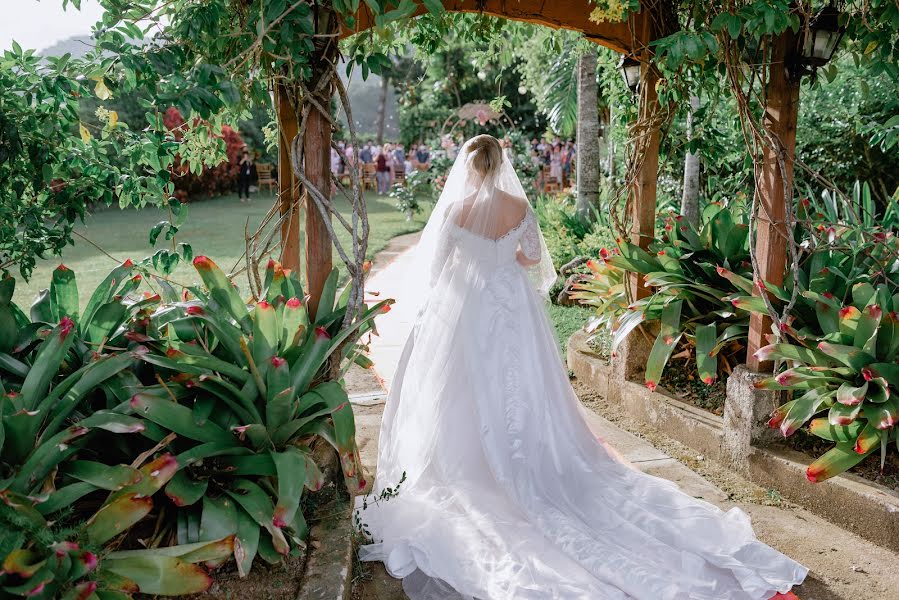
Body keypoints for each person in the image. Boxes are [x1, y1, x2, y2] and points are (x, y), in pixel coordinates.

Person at [354, 134, 807, 600]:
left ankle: (470, 463)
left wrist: (471, 263)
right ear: (502, 163)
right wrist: (501, 255)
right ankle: (525, 455)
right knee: (522, 384)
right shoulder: (518, 206)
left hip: (467, 304)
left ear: (468, 168)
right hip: (510, 303)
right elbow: (531, 258)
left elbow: (436, 266)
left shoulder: (455, 211)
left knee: (461, 386)